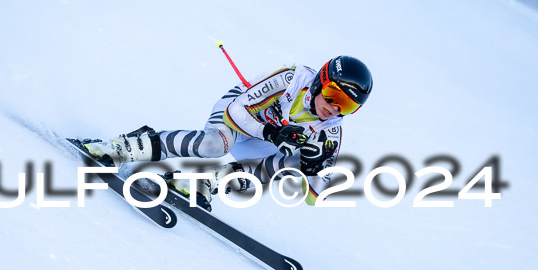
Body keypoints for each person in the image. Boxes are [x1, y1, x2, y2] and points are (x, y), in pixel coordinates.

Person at [82, 55, 373, 210]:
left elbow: (316, 197)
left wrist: (312, 166)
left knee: (292, 164)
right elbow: (236, 112)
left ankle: (201, 184)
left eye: (348, 105)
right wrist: (271, 133)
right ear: (322, 81)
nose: (335, 109)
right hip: (240, 113)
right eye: (335, 95)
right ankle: (123, 148)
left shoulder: (330, 131)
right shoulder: (292, 79)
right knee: (213, 145)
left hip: (261, 140)